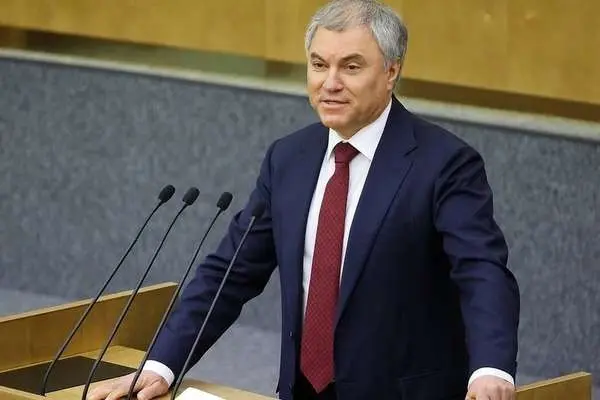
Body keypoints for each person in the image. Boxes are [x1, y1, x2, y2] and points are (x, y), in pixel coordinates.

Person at [88, 0, 519, 399]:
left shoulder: (444, 163)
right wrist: (162, 364)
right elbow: (230, 273)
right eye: (318, 65)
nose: (330, 83)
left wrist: (490, 369)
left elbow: (481, 270)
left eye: (351, 67)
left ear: (391, 72)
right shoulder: (289, 158)